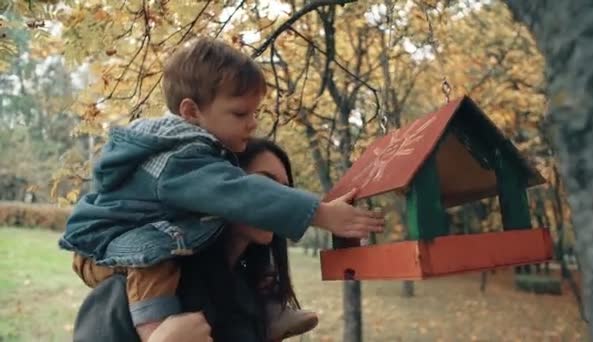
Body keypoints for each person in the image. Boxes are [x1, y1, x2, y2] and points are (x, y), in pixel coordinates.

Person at [60, 37, 383, 340]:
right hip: (112, 245)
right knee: (155, 259)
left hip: (148, 240)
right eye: (265, 187)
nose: (253, 122)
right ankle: (154, 325)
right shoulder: (181, 159)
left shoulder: (242, 293)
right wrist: (322, 213)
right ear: (191, 111)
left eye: (286, 188)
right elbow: (243, 194)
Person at [73, 138, 322, 342]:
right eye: (264, 185)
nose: (280, 200)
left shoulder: (251, 299)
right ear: (216, 192)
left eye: (286, 191)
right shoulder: (128, 291)